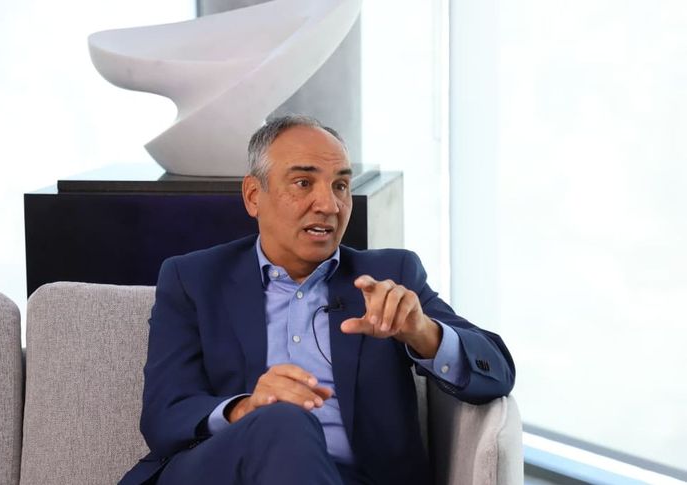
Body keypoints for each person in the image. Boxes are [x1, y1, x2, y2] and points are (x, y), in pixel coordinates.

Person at [119, 115, 515, 485]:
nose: (329, 205)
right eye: (304, 183)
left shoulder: (390, 275)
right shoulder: (194, 279)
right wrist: (247, 408)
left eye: (340, 186)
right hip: (231, 470)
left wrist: (423, 332)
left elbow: (496, 371)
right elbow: (165, 414)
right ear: (254, 196)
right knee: (283, 420)